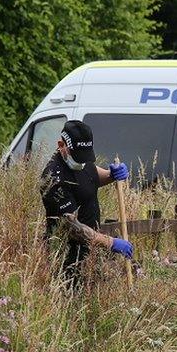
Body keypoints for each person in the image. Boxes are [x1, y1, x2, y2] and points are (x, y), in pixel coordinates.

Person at [40, 120, 133, 288]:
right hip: (67, 259)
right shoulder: (53, 179)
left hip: (90, 253)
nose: (82, 162)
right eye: (79, 157)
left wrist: (112, 175)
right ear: (61, 145)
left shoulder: (82, 161)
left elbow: (92, 176)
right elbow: (71, 227)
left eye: (85, 157)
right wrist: (111, 243)